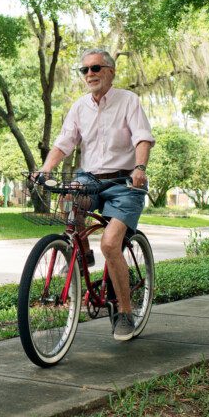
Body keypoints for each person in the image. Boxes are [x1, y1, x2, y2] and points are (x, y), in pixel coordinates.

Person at [38, 49, 155, 341]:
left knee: (111, 244)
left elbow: (142, 137)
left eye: (96, 68)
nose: (90, 74)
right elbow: (64, 142)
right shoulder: (79, 107)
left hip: (124, 182)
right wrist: (45, 168)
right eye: (85, 70)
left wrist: (140, 168)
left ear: (110, 72)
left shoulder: (128, 100)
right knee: (69, 197)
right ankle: (84, 255)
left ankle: (126, 313)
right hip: (90, 179)